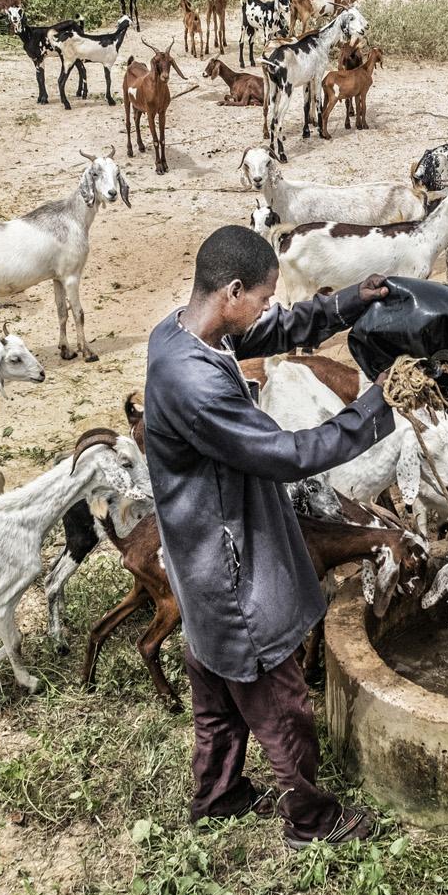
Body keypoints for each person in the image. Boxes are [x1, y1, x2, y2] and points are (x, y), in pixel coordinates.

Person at [140, 225, 393, 847]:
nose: (267, 309)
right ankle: (311, 820)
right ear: (231, 291)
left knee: (215, 691)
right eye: (262, 297)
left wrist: (346, 303)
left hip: (194, 554)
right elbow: (287, 453)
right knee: (282, 704)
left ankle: (219, 793)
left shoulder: (180, 332)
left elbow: (271, 331)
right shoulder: (195, 385)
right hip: (227, 566)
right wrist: (375, 409)